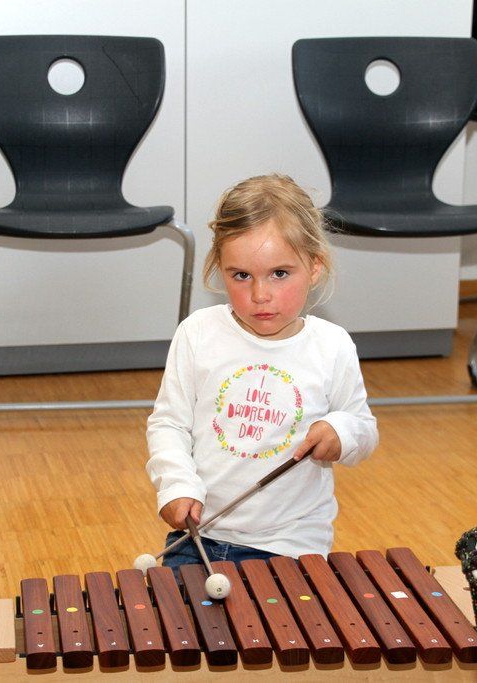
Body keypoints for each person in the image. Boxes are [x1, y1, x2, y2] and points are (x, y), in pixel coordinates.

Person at [146, 174, 378, 571]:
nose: (260, 295)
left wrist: (341, 432)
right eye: (241, 275)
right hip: (200, 535)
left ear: (315, 266)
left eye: (280, 274)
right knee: (177, 611)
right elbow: (169, 423)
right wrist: (177, 485)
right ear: (220, 268)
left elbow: (364, 430)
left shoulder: (331, 345)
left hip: (291, 543)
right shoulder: (198, 333)